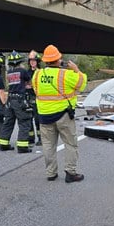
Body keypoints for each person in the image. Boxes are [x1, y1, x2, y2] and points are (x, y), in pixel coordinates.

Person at [32, 44, 87, 183]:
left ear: (45, 61)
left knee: (48, 146)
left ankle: (51, 173)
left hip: (44, 116)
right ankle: (70, 173)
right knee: (70, 144)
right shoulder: (66, 74)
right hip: (63, 116)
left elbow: (36, 90)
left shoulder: (37, 74)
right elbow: (82, 84)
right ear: (58, 59)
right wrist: (76, 70)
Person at [0, 51, 34, 153]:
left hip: (10, 100)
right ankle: (22, 146)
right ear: (19, 61)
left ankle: (3, 144)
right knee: (24, 122)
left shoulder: (9, 73)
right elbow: (29, 82)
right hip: (19, 100)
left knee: (8, 122)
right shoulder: (22, 71)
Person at [27, 50, 42, 145]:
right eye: (31, 60)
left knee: (38, 119)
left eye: (34, 60)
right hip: (28, 98)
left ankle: (40, 138)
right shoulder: (26, 72)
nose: (32, 62)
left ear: (37, 61)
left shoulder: (41, 72)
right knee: (28, 119)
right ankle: (31, 137)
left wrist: (32, 86)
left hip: (38, 98)